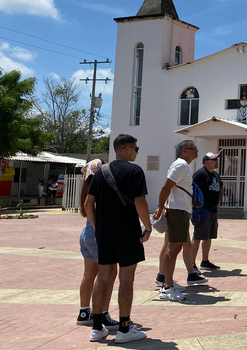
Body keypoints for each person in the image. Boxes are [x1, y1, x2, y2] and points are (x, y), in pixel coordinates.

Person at [84, 134, 151, 344]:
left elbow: (88, 205)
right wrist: (147, 227)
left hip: (104, 233)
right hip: (128, 232)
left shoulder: (101, 172)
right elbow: (140, 201)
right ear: (127, 149)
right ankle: (124, 329)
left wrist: (97, 229)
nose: (138, 152)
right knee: (126, 278)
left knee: (102, 276)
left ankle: (96, 328)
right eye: (136, 149)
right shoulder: (135, 171)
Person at [154, 140, 207, 302]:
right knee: (174, 249)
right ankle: (167, 287)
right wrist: (160, 206)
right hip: (177, 211)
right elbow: (166, 187)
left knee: (173, 247)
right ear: (184, 151)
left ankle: (168, 284)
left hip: (180, 210)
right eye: (194, 149)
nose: (197, 151)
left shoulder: (182, 165)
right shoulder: (181, 165)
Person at [76, 159, 119, 331]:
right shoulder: (101, 190)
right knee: (108, 274)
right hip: (97, 235)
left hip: (86, 234)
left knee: (89, 274)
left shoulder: (86, 190)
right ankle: (103, 314)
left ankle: (84, 312)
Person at [191, 152, 222, 271]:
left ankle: (205, 261)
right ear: (206, 162)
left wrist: (219, 201)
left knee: (209, 237)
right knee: (198, 237)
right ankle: (191, 264)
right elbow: (192, 189)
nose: (216, 162)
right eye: (213, 160)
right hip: (201, 211)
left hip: (213, 210)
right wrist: (195, 206)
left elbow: (221, 187)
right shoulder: (199, 174)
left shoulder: (215, 175)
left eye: (216, 160)